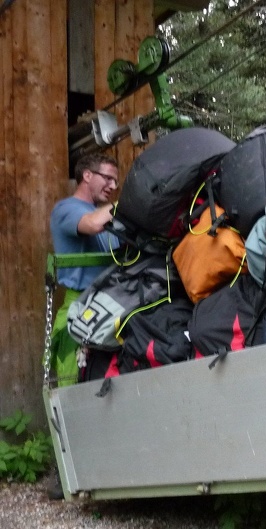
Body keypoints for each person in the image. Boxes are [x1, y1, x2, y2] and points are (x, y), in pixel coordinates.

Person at [46, 153, 119, 499]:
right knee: (70, 387)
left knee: (107, 382)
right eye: (107, 178)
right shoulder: (67, 210)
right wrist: (128, 202)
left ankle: (105, 466)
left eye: (117, 182)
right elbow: (91, 225)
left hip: (113, 303)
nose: (113, 186)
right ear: (86, 175)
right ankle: (63, 472)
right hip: (79, 304)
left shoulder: (111, 216)